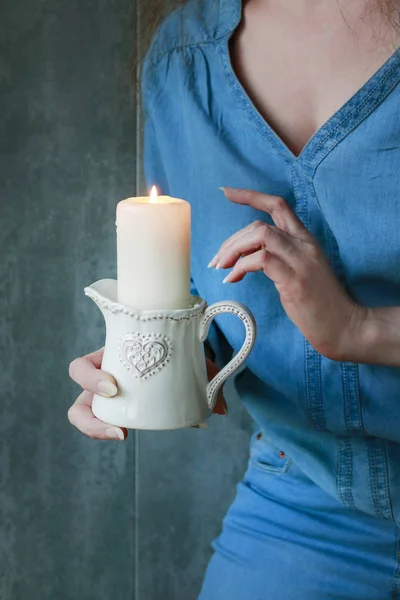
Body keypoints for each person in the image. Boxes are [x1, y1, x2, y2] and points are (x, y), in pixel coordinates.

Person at [68, 0, 400, 597]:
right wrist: (160, 360)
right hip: (303, 498)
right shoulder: (180, 57)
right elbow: (207, 293)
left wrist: (360, 328)